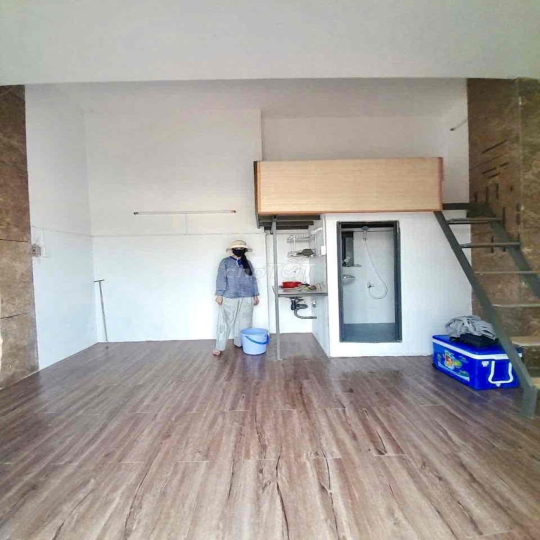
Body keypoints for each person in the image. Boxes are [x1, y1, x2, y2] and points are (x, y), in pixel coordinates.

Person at [213, 240, 260, 356]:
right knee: (225, 322)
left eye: (241, 248)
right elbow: (221, 278)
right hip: (230, 295)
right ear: (232, 250)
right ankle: (219, 346)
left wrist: (255, 294)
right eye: (237, 248)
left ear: (245, 250)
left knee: (245, 321)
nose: (239, 250)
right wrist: (219, 295)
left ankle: (241, 343)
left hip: (247, 295)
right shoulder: (225, 262)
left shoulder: (248, 263)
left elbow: (253, 279)